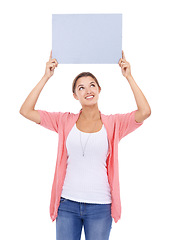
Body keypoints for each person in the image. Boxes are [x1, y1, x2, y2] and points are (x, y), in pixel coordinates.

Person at [19, 50, 151, 240]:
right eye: (81, 88)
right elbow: (26, 110)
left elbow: (145, 111)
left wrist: (128, 76)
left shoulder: (114, 124)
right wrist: (46, 76)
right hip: (67, 204)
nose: (88, 90)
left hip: (100, 206)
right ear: (75, 96)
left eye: (92, 85)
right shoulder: (63, 121)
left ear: (99, 89)